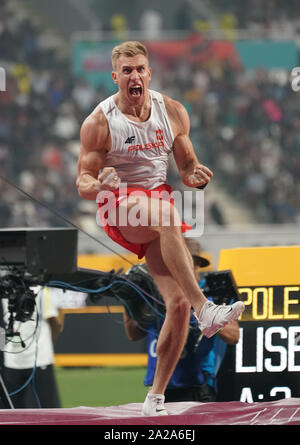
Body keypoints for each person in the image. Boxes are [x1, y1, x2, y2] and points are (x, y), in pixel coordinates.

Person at [76, 40, 245, 415]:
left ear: (149, 73)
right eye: (127, 70)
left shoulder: (172, 112)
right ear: (115, 76)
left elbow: (186, 165)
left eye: (140, 69)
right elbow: (82, 182)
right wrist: (100, 183)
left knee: (177, 303)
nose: (134, 76)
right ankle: (208, 310)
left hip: (158, 201)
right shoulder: (100, 121)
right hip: (120, 206)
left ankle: (155, 399)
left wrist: (194, 175)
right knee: (168, 217)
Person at [123, 237, 240, 403]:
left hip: (198, 389)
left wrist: (200, 311)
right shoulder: (158, 292)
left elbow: (234, 336)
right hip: (158, 391)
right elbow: (133, 334)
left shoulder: (212, 293)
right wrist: (129, 301)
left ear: (196, 264)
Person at [1, 286, 62, 408]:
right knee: (10, 413)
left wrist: (47, 347)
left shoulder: (40, 290)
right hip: (11, 362)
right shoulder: (3, 290)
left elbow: (54, 322)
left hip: (40, 359)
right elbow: (2, 325)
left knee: (48, 410)